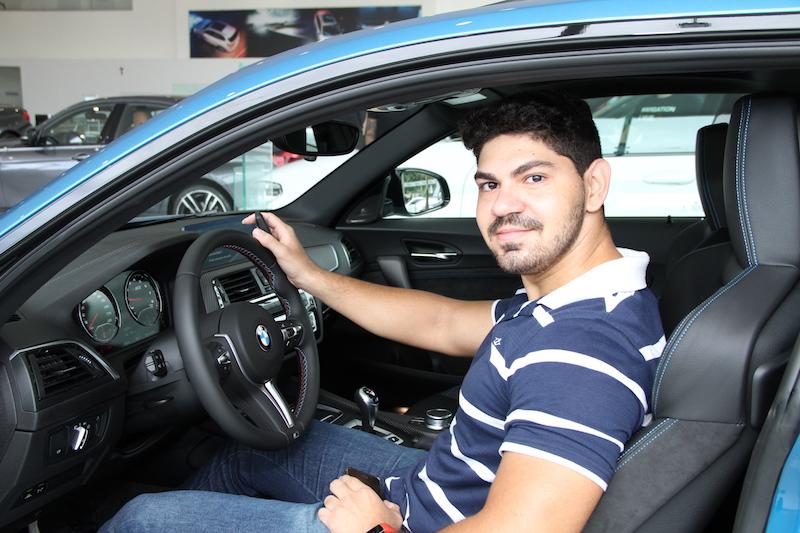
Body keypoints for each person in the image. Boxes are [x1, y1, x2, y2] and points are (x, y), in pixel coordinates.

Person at [102, 91, 664, 533]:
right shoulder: (573, 299)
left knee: (143, 520)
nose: (503, 205)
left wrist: (376, 529)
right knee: (252, 449)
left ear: (594, 185)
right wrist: (311, 277)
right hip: (427, 489)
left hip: (408, 525)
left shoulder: (580, 347)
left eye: (534, 178)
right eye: (489, 184)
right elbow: (441, 322)